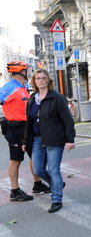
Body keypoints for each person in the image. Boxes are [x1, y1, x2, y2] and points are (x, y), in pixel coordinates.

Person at [23, 69, 76, 213]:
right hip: (36, 140)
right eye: (38, 78)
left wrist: (70, 139)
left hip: (54, 139)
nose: (40, 80)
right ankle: (57, 184)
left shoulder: (57, 97)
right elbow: (29, 122)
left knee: (53, 170)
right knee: (38, 169)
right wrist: (25, 141)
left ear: (48, 81)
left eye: (43, 78)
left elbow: (67, 120)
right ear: (34, 81)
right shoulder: (32, 99)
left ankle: (57, 199)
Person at [0, 61, 50, 202]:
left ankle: (37, 184)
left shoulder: (22, 87)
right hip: (15, 128)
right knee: (16, 160)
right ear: (22, 71)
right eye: (26, 70)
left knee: (34, 156)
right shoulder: (9, 87)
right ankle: (15, 191)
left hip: (27, 128)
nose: (28, 73)